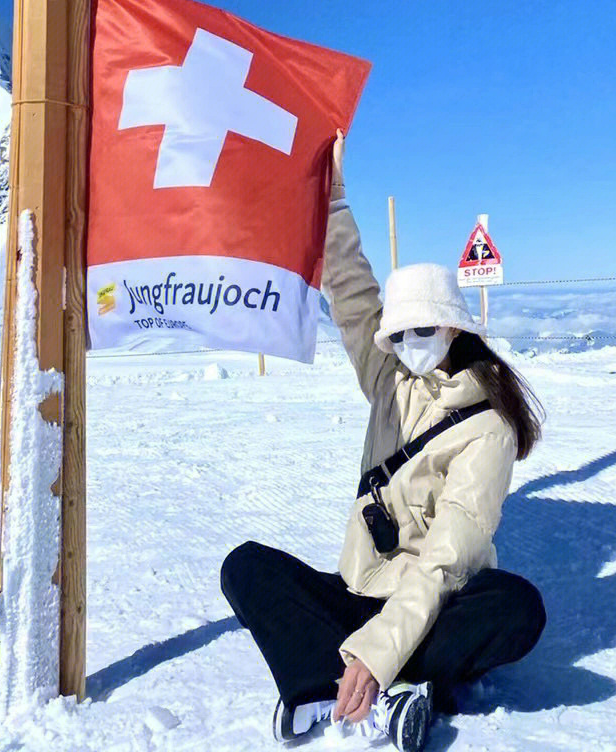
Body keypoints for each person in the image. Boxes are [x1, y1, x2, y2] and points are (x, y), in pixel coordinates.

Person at [221, 132, 546, 751]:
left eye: (422, 330)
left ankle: (359, 682)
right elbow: (351, 294)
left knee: (516, 607)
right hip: (360, 593)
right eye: (398, 335)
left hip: (433, 604)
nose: (407, 344)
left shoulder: (489, 428)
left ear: (454, 327)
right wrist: (334, 199)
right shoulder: (389, 381)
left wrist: (379, 653)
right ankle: (368, 691)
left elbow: (444, 560)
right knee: (246, 568)